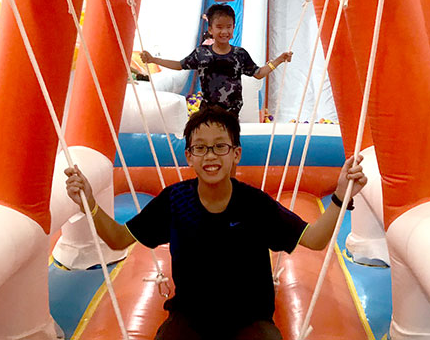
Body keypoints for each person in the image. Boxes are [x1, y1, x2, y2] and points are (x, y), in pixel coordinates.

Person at [65, 105, 368, 340]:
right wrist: (89, 203)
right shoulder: (174, 200)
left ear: (236, 154)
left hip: (249, 322)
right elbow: (118, 239)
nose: (210, 156)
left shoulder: (254, 204)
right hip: (189, 317)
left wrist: (340, 196)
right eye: (201, 148)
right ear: (189, 156)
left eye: (220, 146)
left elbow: (314, 239)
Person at [141, 4, 293, 116]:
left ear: (233, 28)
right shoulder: (201, 53)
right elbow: (180, 65)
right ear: (210, 30)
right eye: (219, 27)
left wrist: (279, 60)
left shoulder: (239, 54)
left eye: (229, 27)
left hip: (232, 113)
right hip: (208, 111)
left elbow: (258, 73)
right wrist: (154, 59)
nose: (224, 31)